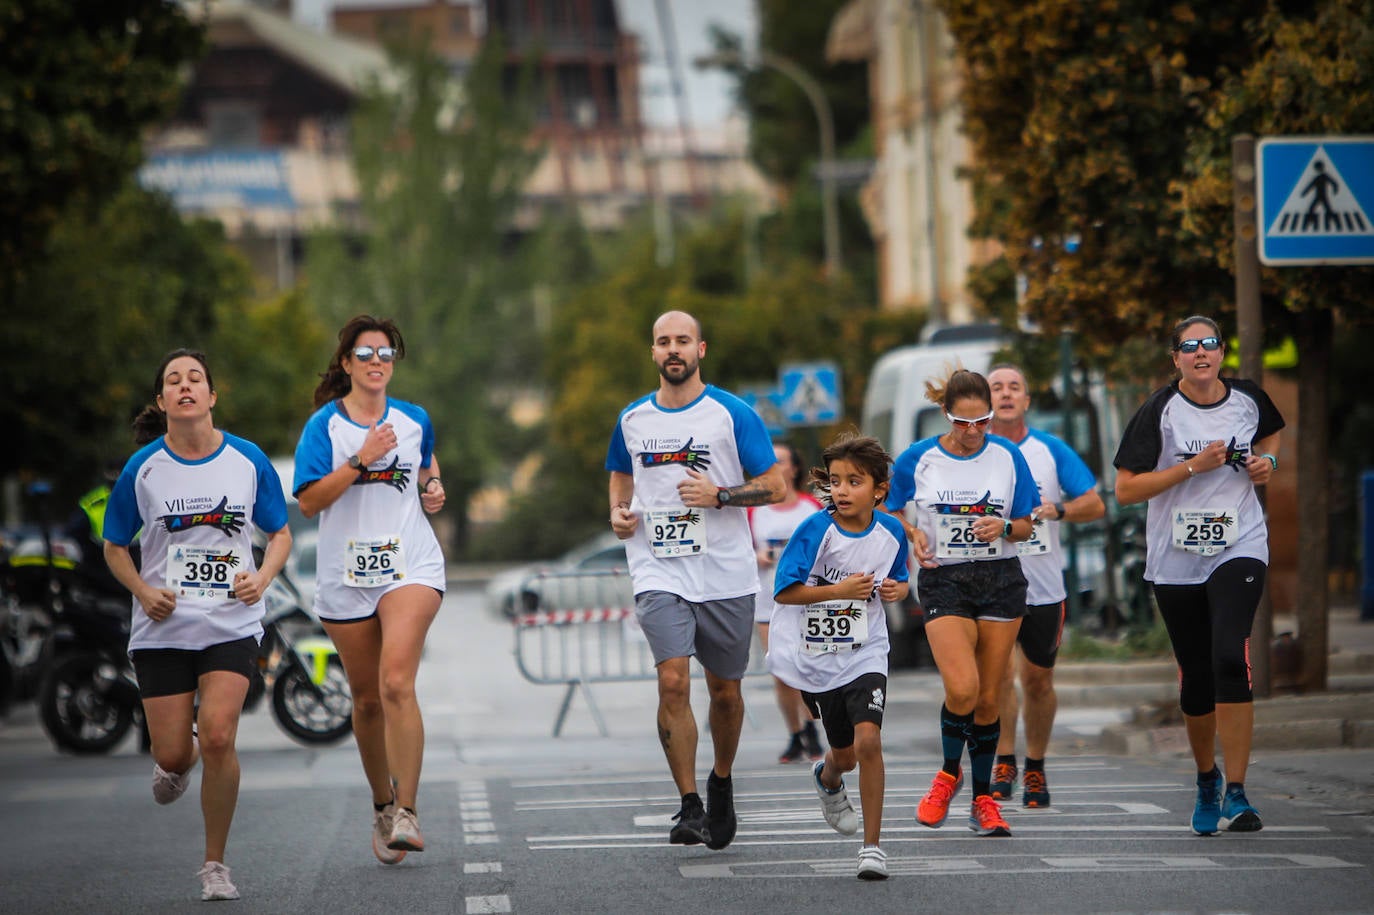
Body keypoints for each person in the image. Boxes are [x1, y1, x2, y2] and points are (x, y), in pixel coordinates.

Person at [102, 349, 292, 902]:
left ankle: (215, 864)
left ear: (212, 396)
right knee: (171, 754)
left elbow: (279, 533)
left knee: (218, 735)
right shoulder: (144, 469)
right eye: (173, 381)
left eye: (196, 379)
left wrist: (262, 577)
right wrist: (143, 590)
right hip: (162, 628)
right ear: (162, 403)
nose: (185, 387)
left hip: (230, 621)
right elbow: (114, 547)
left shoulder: (246, 459)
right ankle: (174, 762)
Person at [606, 310, 785, 850]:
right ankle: (688, 805)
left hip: (725, 572)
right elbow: (621, 475)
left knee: (725, 692)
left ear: (700, 348)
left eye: (682, 340)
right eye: (663, 342)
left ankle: (721, 780)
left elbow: (775, 485)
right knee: (672, 681)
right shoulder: (633, 418)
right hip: (659, 567)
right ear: (653, 352)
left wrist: (721, 495)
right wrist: (618, 512)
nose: (673, 349)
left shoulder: (731, 414)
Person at [1114, 315, 1283, 835]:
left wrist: (1268, 464)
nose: (1201, 353)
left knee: (1230, 654)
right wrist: (1193, 466)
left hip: (1240, 544)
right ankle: (1206, 777)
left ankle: (1237, 789)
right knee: (1196, 673)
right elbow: (1126, 489)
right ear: (1176, 359)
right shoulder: (1160, 411)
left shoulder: (1249, 399)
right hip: (1177, 556)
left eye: (1209, 344)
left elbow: (1272, 435)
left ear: (1222, 352)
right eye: (1190, 347)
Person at [293, 315, 447, 864]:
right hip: (346, 576)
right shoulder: (324, 428)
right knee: (365, 698)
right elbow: (309, 502)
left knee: (397, 682)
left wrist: (432, 486)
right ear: (346, 364)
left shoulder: (413, 419)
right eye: (366, 353)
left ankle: (407, 809)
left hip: (411, 564)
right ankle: (382, 803)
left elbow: (426, 463)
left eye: (385, 353)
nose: (377, 362)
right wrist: (362, 459)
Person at [884, 368, 1038, 837]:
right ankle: (948, 774)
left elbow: (1027, 524)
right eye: (962, 422)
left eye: (982, 422)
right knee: (964, 689)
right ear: (946, 414)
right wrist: (911, 533)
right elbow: (887, 507)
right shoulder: (919, 458)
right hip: (943, 580)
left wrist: (1004, 528)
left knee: (990, 698)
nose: (972, 433)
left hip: (1000, 579)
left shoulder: (1008, 456)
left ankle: (984, 799)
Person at [770, 432, 909, 880]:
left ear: (879, 489)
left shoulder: (891, 532)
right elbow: (785, 592)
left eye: (855, 481)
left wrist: (896, 589)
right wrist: (838, 590)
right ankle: (828, 777)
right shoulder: (815, 528)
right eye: (836, 481)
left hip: (867, 648)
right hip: (817, 655)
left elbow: (901, 579)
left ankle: (873, 849)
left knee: (870, 741)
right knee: (845, 755)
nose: (843, 490)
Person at [986, 364, 1105, 808]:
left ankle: (1035, 766)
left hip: (1043, 585)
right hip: (993, 582)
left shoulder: (1049, 449)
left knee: (1036, 681)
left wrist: (1058, 510)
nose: (1006, 394)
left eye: (1015, 386)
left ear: (1027, 400)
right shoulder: (978, 453)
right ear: (986, 399)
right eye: (996, 387)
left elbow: (1093, 502)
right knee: (997, 678)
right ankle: (1004, 759)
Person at [748, 441, 826, 764]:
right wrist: (757, 556)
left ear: (794, 468)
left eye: (781, 461)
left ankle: (812, 728)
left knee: (807, 668)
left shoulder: (811, 507)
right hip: (769, 600)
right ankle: (794, 733)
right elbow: (738, 547)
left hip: (808, 600)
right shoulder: (754, 510)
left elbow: (831, 545)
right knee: (780, 670)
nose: (776, 467)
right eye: (771, 463)